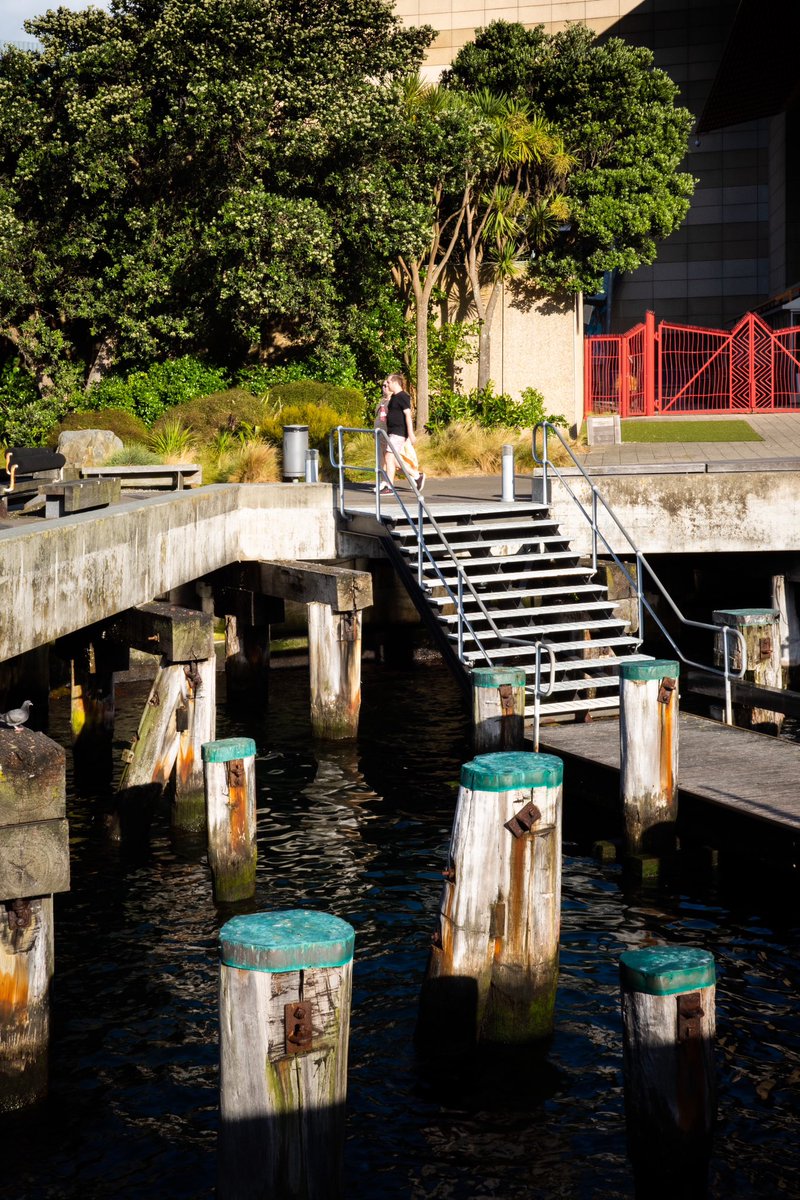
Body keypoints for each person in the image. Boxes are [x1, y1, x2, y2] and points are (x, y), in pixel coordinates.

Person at [379, 374, 425, 493]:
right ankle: (416, 476)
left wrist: (411, 434)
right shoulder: (394, 397)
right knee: (393, 459)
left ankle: (389, 487)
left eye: (388, 382)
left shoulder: (403, 396)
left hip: (399, 433)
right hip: (392, 432)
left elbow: (408, 416)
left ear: (395, 383)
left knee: (389, 457)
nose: (387, 385)